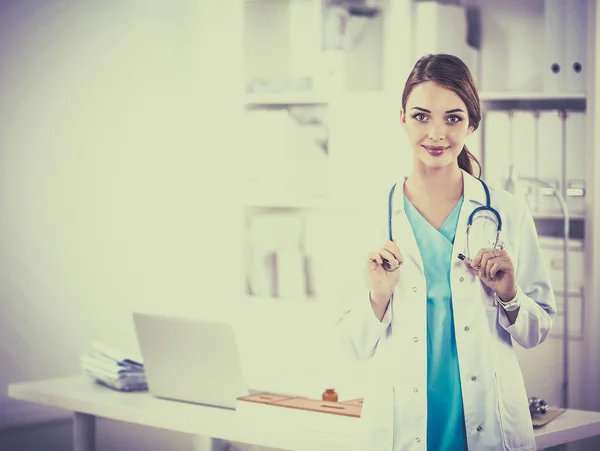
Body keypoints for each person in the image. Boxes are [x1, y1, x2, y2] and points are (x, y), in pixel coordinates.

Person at [336, 53, 556, 451]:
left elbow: (537, 330)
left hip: (488, 426)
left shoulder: (506, 211)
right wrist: (379, 295)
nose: (436, 132)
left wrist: (510, 295)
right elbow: (352, 342)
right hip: (401, 428)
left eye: (453, 118)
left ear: (471, 124)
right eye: (421, 116)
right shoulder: (372, 215)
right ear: (401, 118)